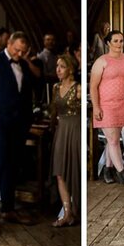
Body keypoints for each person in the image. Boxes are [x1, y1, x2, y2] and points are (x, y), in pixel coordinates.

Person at [0, 31, 35, 234]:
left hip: (19, 124)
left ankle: (8, 209)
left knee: (13, 167)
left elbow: (28, 93)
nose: (19, 54)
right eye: (16, 49)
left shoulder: (23, 65)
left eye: (23, 51)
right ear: (9, 43)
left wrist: (28, 119)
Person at [91, 31, 124, 185]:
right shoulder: (101, 61)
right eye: (116, 41)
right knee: (112, 140)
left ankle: (107, 169)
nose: (119, 44)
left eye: (121, 41)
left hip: (120, 103)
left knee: (114, 140)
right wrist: (96, 106)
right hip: (106, 104)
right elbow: (93, 86)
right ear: (108, 43)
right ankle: (122, 173)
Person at [50, 55, 80, 227]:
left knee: (74, 169)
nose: (58, 69)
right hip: (61, 130)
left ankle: (76, 211)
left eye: (62, 66)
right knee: (59, 170)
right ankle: (67, 212)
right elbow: (53, 111)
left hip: (74, 129)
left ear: (70, 69)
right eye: (57, 66)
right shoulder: (55, 87)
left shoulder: (78, 88)